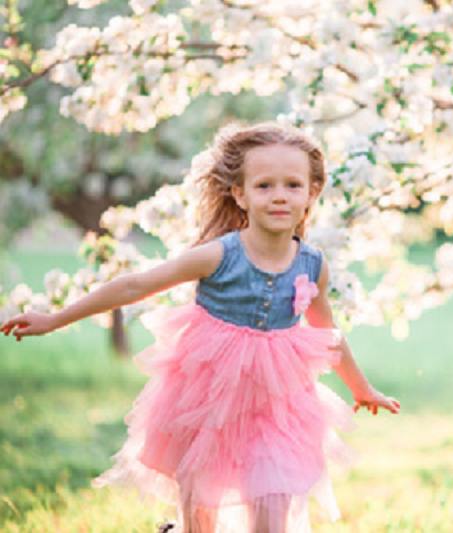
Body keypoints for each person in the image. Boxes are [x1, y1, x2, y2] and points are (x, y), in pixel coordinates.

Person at [1, 122, 401, 533]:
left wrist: (362, 389)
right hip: (207, 404)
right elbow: (137, 284)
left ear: (312, 192)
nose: (279, 195)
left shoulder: (313, 265)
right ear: (240, 194)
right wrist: (55, 318)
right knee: (202, 515)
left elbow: (327, 333)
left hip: (277, 408)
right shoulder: (218, 255)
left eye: (292, 185)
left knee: (274, 503)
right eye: (264, 186)